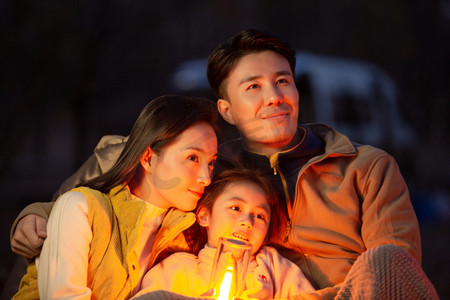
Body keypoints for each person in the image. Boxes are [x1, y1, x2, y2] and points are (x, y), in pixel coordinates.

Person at [11, 30, 438, 299]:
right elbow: (131, 166)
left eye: (283, 80)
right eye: (253, 86)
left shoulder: (366, 166)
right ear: (227, 109)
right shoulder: (213, 169)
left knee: (386, 261)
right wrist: (42, 212)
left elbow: (397, 269)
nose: (274, 95)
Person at [11, 95, 218, 299]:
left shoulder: (188, 234)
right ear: (148, 158)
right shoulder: (82, 209)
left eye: (210, 163)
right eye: (192, 158)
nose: (206, 177)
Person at [132, 169, 315, 299]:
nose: (247, 222)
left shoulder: (273, 267)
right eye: (236, 208)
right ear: (204, 216)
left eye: (259, 216)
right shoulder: (179, 268)